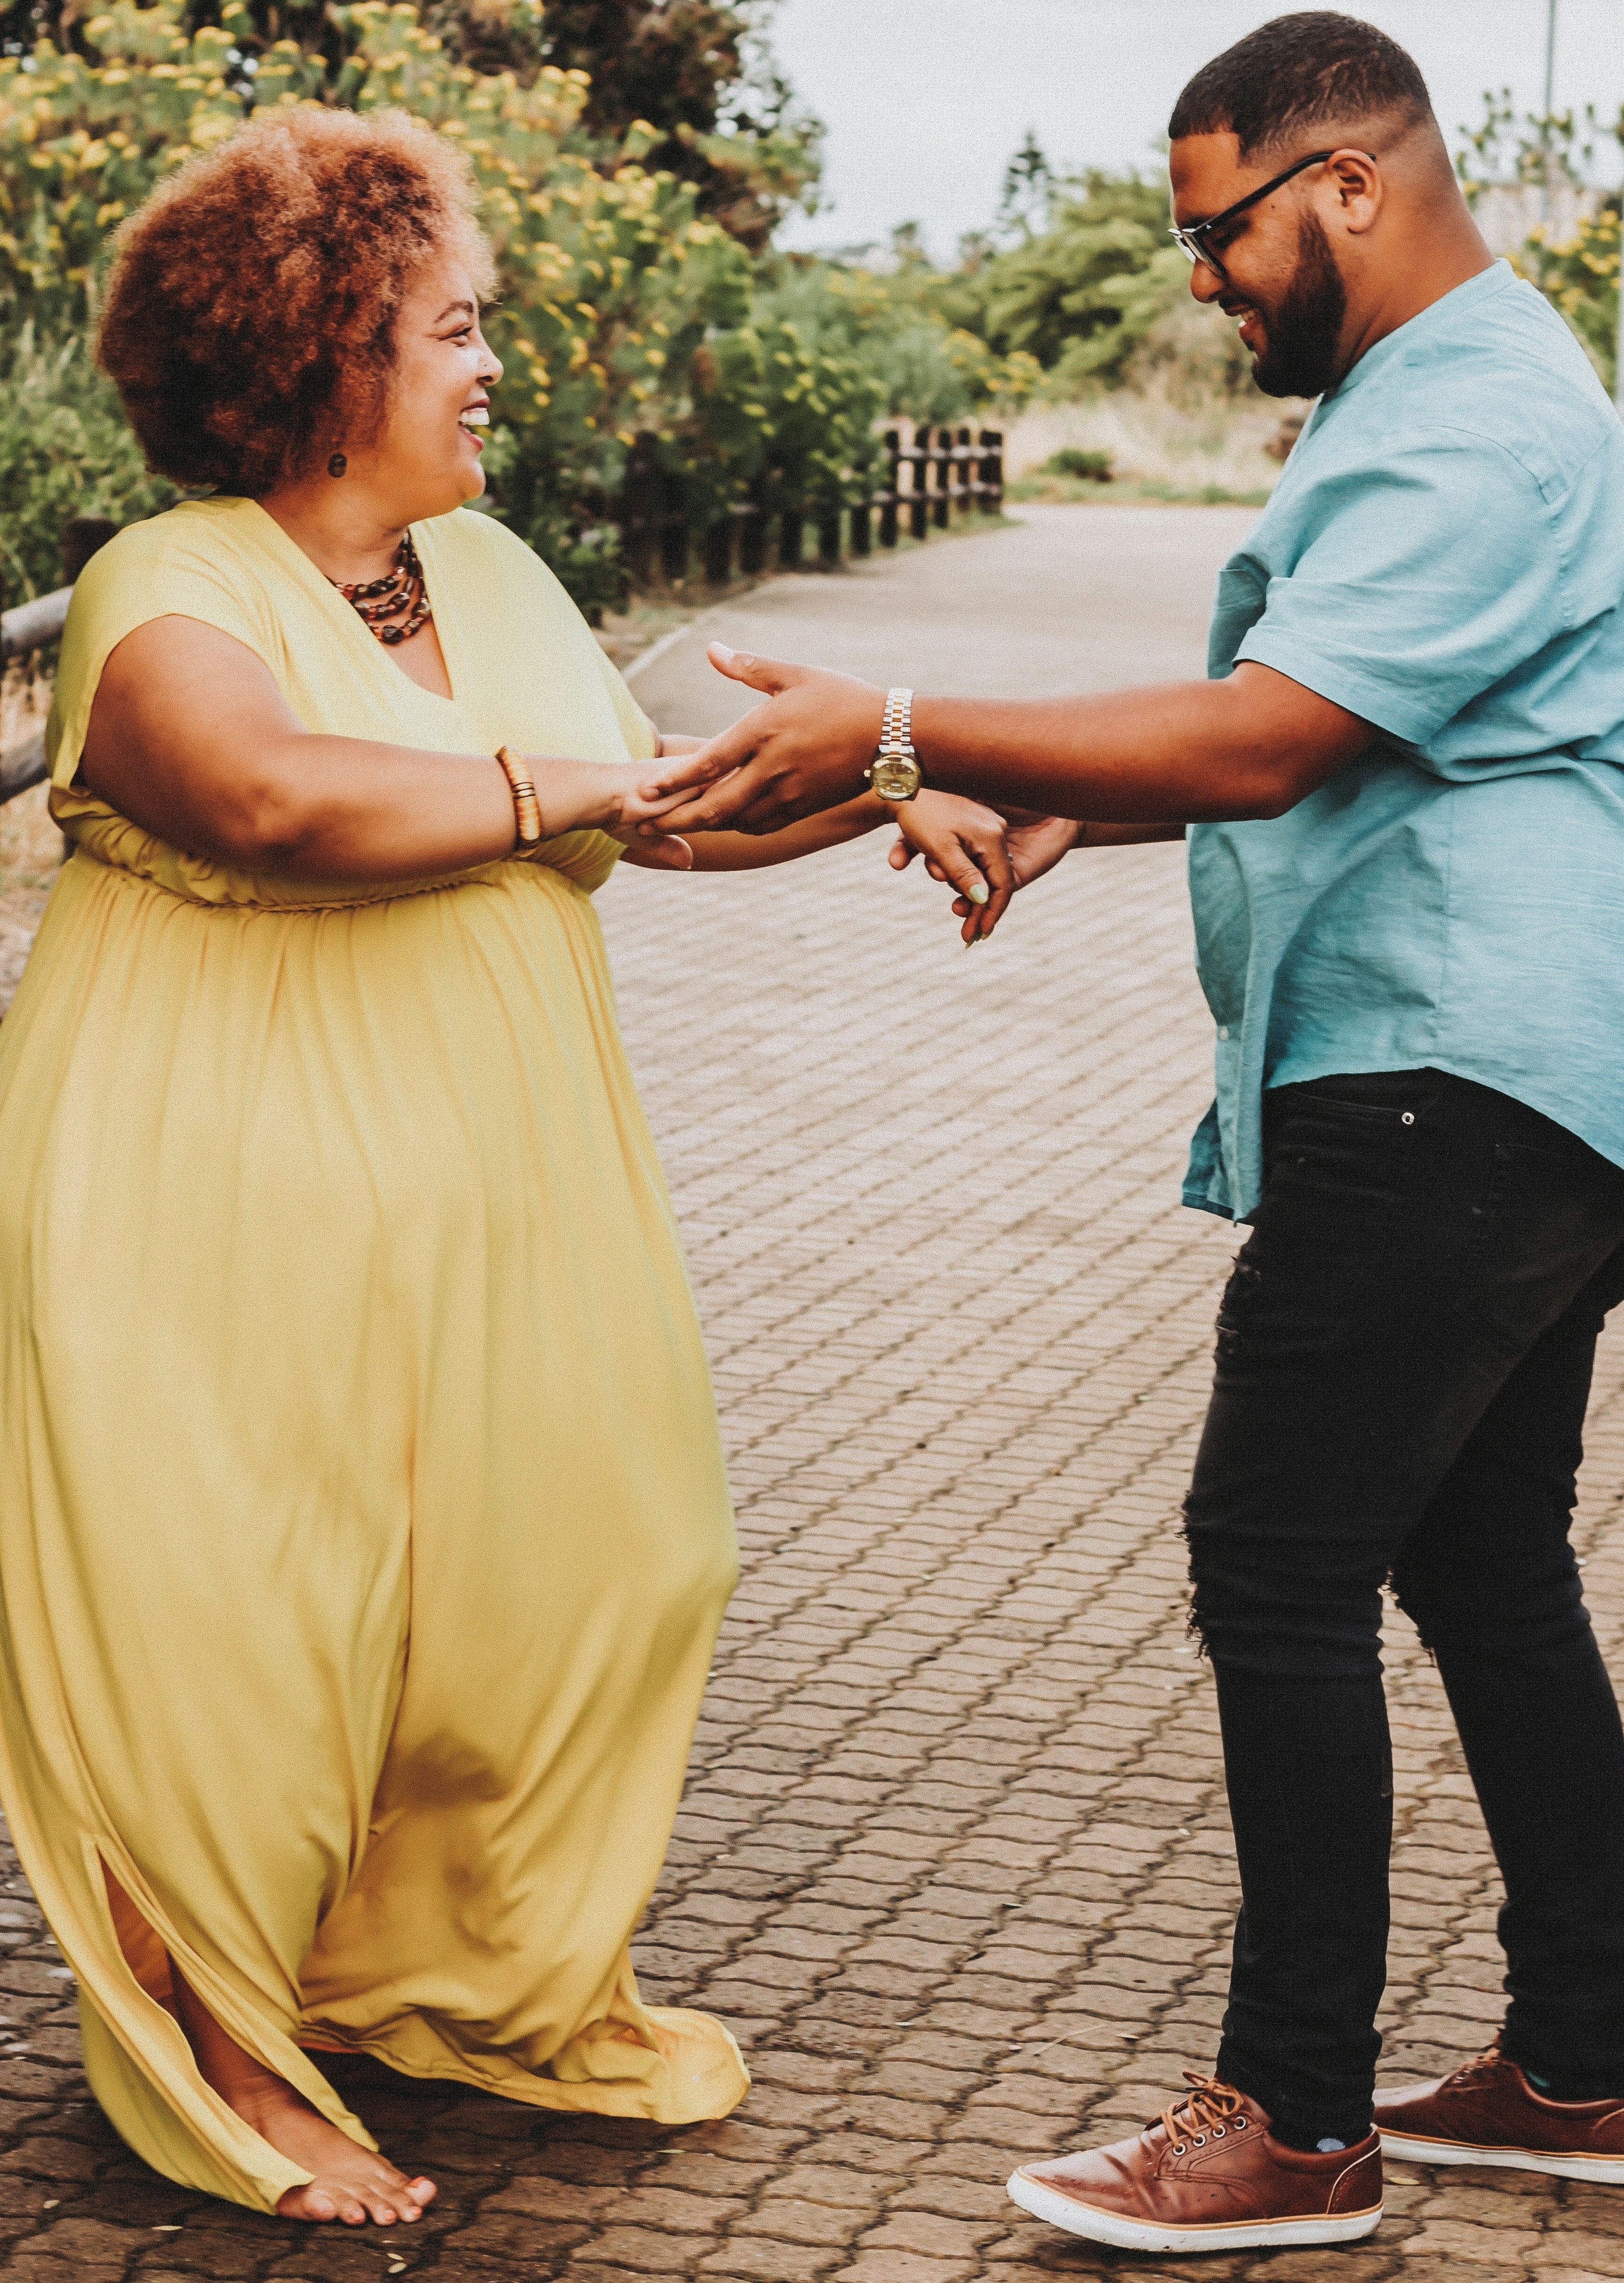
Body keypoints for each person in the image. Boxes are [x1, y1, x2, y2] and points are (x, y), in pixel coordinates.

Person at [641, 9, 1624, 2257]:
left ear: (1344, 182)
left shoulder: (1476, 413)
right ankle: (1582, 2064)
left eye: (1219, 234)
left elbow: (1271, 735)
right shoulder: (1439, 393)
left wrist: (913, 717)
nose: (1205, 282)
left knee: (1277, 1553)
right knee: (1480, 1558)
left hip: (1462, 1064)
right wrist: (1062, 798)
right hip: (1552, 1064)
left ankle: (1292, 2125)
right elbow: (1358, 741)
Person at [0, 103, 1013, 2227]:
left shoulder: (487, 572)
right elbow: (281, 802)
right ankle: (214, 2061)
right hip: (203, 1201)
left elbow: (670, 809)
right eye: (455, 328)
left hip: (501, 1189)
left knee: (595, 1571)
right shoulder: (158, 591)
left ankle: (411, 1977)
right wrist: (585, 777)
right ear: (326, 348)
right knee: (243, 1636)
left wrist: (906, 781)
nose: (491, 368)